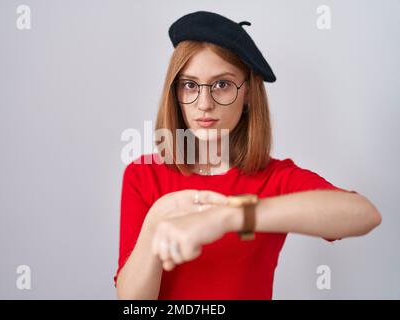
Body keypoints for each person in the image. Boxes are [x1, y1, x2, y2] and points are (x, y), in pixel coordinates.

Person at [114, 11, 382, 300]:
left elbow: (363, 214)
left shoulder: (273, 180)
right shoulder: (143, 175)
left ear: (248, 96)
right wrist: (155, 221)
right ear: (175, 93)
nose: (204, 104)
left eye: (222, 84)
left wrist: (233, 216)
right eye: (190, 85)